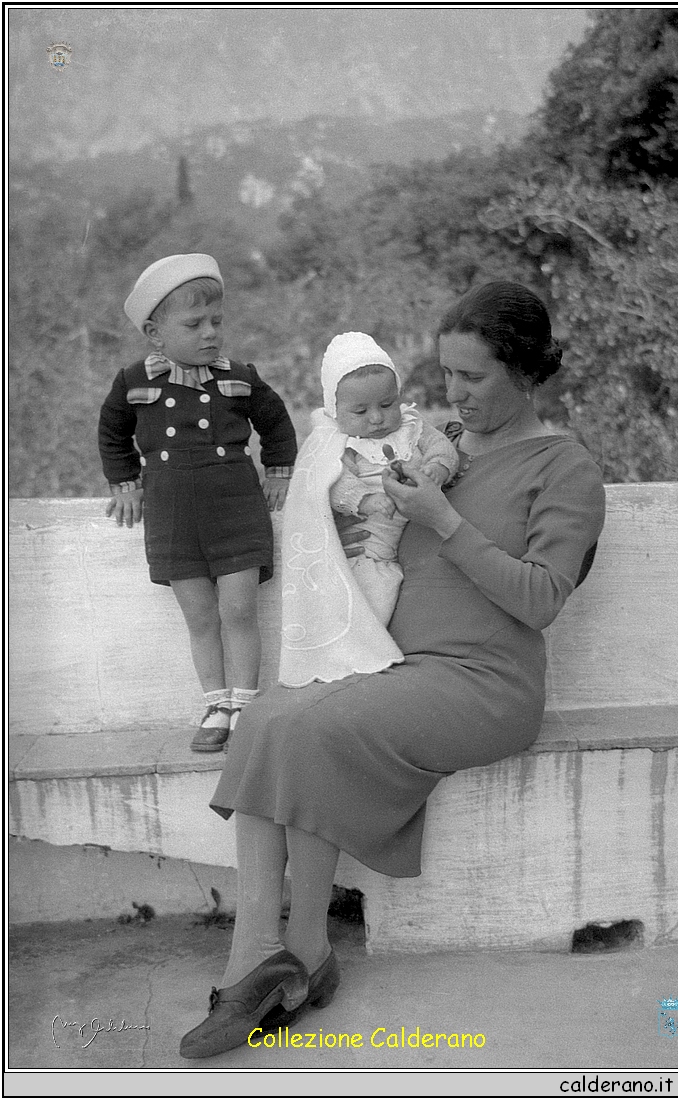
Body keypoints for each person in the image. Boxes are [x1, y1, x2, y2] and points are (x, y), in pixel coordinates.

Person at [179, 280, 606, 1059]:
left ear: (524, 369)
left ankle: (277, 964)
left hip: (485, 684)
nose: (454, 393)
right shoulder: (427, 447)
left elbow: (542, 599)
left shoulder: (563, 465)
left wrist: (442, 520)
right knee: (273, 714)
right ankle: (281, 954)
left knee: (314, 727)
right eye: (445, 374)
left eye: (472, 377)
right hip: (394, 666)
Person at [98, 254, 297, 752]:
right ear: (155, 332)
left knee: (239, 609)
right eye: (194, 324)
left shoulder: (240, 376)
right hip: (171, 518)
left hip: (235, 511)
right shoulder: (134, 382)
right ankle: (215, 704)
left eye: (216, 321)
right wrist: (125, 484)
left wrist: (278, 472)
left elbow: (276, 423)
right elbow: (112, 433)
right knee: (201, 616)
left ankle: (246, 706)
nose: (210, 333)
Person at [280, 331, 459, 687]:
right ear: (335, 410)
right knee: (366, 601)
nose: (377, 418)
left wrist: (436, 469)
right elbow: (328, 484)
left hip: (420, 532)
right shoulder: (335, 443)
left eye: (387, 404)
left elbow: (444, 449)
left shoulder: (412, 426)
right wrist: (363, 499)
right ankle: (357, 663)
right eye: (360, 411)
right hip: (372, 546)